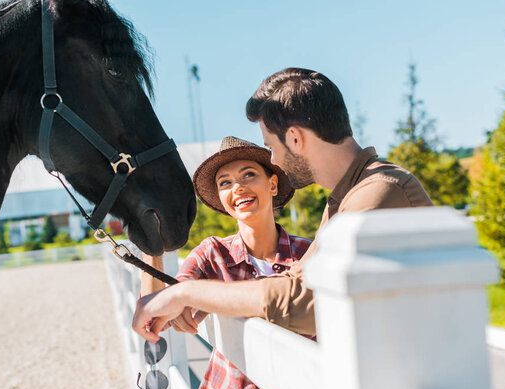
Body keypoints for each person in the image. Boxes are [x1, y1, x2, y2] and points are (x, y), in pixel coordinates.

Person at [132, 67, 433, 344]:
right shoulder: (348, 196)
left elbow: (306, 302)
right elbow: (293, 281)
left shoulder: (378, 192)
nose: (274, 160)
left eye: (271, 147)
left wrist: (187, 293)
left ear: (295, 138)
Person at [141, 136, 311, 389]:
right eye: (225, 183)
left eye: (248, 175)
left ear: (273, 184)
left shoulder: (310, 254)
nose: (238, 187)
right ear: (221, 198)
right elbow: (154, 312)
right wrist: (151, 243)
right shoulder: (213, 254)